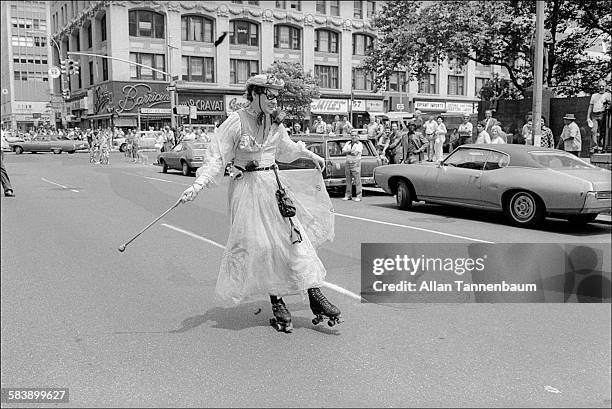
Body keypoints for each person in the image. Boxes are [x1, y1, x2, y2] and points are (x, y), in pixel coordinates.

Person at [179, 74, 341, 333]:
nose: (275, 100)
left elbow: (285, 148)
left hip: (274, 186)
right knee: (262, 247)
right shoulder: (235, 121)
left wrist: (310, 154)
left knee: (295, 241)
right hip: (248, 190)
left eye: (277, 95)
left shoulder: (275, 121)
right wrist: (198, 185)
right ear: (255, 94)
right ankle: (277, 302)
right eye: (270, 94)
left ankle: (315, 295)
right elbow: (217, 158)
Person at [587, 80, 611, 152]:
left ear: (606, 87)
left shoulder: (608, 95)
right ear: (598, 87)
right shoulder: (594, 95)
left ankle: (602, 146)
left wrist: (608, 104)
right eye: (600, 86)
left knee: (603, 131)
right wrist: (588, 117)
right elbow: (590, 106)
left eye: (603, 86)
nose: (601, 87)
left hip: (603, 114)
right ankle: (595, 146)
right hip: (594, 115)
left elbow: (610, 105)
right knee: (593, 131)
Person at [342, 130, 363, 202]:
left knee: (357, 180)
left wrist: (348, 152)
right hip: (348, 162)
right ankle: (348, 195)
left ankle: (359, 196)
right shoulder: (348, 143)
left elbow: (355, 153)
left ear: (358, 137)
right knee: (348, 180)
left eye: (355, 135)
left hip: (355, 163)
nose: (353, 137)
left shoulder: (359, 144)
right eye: (352, 135)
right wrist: (350, 151)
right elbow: (343, 151)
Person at [1, 130, 15, 197]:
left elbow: (7, 139)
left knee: (1, 171)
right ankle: (8, 189)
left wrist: (18, 140)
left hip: (1, 151)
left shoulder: (1, 131)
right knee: (2, 170)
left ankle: (7, 189)